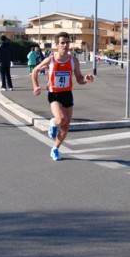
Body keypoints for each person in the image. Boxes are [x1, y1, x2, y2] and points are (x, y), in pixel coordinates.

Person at [31, 32, 94, 161]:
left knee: (66, 126)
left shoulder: (73, 61)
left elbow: (79, 79)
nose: (65, 45)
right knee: (61, 119)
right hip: (54, 94)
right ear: (57, 45)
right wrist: (35, 86)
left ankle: (55, 148)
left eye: (67, 42)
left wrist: (86, 79)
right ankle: (53, 122)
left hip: (67, 94)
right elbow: (35, 70)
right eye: (62, 43)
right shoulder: (51, 60)